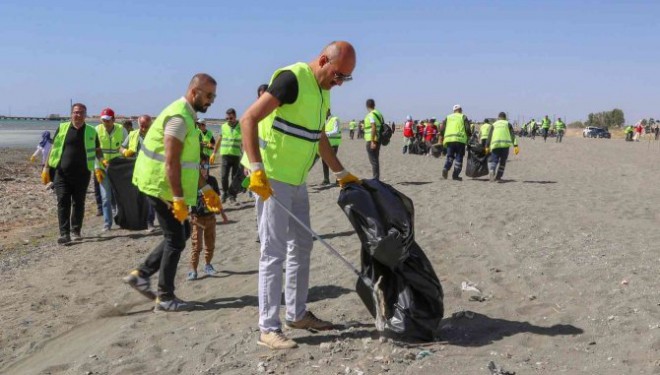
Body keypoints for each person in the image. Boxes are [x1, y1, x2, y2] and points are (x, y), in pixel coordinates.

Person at [241, 41, 360, 349]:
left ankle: (296, 314)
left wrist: (339, 172)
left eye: (345, 78)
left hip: (295, 178)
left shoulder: (322, 92)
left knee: (302, 244)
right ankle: (268, 328)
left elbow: (317, 135)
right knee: (273, 252)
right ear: (323, 60)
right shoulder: (291, 79)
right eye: (338, 75)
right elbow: (249, 119)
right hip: (270, 176)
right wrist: (255, 168)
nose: (339, 83)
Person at [123, 73, 222, 312]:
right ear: (194, 92)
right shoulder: (179, 117)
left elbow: (188, 162)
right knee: (176, 238)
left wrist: (206, 188)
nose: (211, 100)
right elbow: (171, 162)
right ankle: (165, 298)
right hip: (160, 184)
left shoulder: (188, 116)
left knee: (182, 232)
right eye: (208, 95)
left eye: (214, 96)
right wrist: (178, 199)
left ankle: (141, 275)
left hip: (164, 185)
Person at [41, 103, 102, 244]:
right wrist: (45, 168)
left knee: (78, 203)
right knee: (62, 201)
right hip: (61, 173)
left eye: (81, 113)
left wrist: (102, 164)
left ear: (85, 115)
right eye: (75, 112)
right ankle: (64, 233)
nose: (78, 115)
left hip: (83, 174)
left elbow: (98, 150)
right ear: (71, 114)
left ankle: (76, 230)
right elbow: (53, 148)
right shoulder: (62, 128)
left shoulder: (92, 131)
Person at [120, 115, 156, 230]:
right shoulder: (133, 134)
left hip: (151, 170)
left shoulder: (157, 135)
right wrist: (125, 151)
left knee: (150, 197)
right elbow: (120, 147)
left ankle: (150, 222)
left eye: (146, 126)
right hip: (136, 170)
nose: (143, 128)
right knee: (137, 197)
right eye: (142, 126)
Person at [187, 154, 221, 281]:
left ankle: (208, 265)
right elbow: (186, 200)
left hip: (211, 218)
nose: (204, 168)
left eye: (206, 165)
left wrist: (218, 208)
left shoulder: (212, 181)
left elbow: (217, 197)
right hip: (197, 218)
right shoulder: (192, 181)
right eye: (201, 166)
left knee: (210, 243)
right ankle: (193, 269)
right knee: (196, 246)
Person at [96, 108, 128, 231]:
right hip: (102, 168)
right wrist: (97, 168)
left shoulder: (121, 130)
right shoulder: (97, 130)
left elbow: (127, 147)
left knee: (119, 196)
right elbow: (94, 150)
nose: (106, 122)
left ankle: (120, 219)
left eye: (108, 120)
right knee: (105, 197)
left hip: (118, 169)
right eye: (103, 120)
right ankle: (107, 223)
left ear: (113, 120)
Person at [210, 108, 242, 203]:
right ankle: (224, 193)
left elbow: (245, 141)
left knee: (234, 177)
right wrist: (214, 153)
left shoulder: (240, 126)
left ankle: (232, 196)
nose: (228, 120)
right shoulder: (223, 127)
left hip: (236, 155)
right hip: (225, 155)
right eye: (227, 118)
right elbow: (219, 140)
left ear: (235, 117)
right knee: (224, 176)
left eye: (230, 118)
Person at [439, 104, 472, 181]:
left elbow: (442, 129)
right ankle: (455, 175)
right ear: (460, 110)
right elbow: (467, 128)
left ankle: (446, 168)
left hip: (449, 140)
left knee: (450, 156)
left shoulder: (448, 117)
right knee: (459, 157)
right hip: (460, 140)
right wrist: (469, 136)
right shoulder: (463, 116)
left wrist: (441, 138)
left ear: (454, 111)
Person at [485, 112, 519, 182]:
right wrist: (515, 146)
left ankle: (492, 170)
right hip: (505, 145)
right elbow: (512, 135)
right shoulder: (508, 124)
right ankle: (498, 177)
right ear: (505, 117)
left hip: (495, 144)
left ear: (498, 117)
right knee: (503, 161)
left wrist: (487, 146)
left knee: (494, 160)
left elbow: (489, 136)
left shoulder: (494, 124)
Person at [364, 98, 384, 180]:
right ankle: (376, 177)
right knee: (375, 159)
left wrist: (372, 141)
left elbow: (373, 127)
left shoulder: (371, 115)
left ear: (367, 106)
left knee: (373, 160)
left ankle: (376, 178)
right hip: (378, 139)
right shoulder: (379, 114)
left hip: (372, 139)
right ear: (374, 105)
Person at [320, 109, 342, 184]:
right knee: (324, 161)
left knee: (332, 161)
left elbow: (335, 131)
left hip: (334, 144)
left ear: (328, 111)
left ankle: (338, 179)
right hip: (326, 144)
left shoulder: (335, 119)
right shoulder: (325, 121)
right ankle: (326, 179)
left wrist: (325, 133)